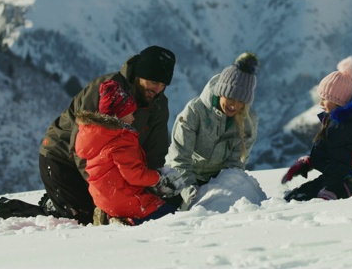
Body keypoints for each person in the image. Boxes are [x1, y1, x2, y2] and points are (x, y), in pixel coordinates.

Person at [39, 45, 176, 224]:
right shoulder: (107, 91)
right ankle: (37, 208)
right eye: (152, 82)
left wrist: (153, 185)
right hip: (63, 158)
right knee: (83, 219)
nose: (157, 89)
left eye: (162, 85)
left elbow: (154, 151)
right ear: (139, 75)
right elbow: (84, 148)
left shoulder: (158, 104)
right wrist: (103, 196)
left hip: (107, 168)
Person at [74, 80, 184, 226]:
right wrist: (157, 178)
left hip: (102, 198)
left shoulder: (97, 136)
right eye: (131, 113)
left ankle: (115, 216)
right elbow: (135, 175)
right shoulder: (121, 140)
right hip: (124, 199)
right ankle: (129, 221)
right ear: (118, 116)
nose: (133, 118)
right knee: (170, 214)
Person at [165, 52, 260, 210]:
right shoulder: (195, 111)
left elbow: (235, 165)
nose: (234, 105)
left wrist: (219, 188)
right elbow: (179, 158)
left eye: (241, 101)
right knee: (168, 211)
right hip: (179, 176)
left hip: (214, 181)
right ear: (221, 91)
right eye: (231, 97)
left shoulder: (248, 120)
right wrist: (190, 192)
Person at [281, 56, 352, 202]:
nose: (320, 103)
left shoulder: (342, 127)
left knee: (296, 198)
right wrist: (308, 163)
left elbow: (341, 164)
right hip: (347, 176)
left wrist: (330, 190)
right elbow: (330, 152)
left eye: (324, 98)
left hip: (351, 180)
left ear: (338, 101)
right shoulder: (340, 122)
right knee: (294, 196)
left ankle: (341, 191)